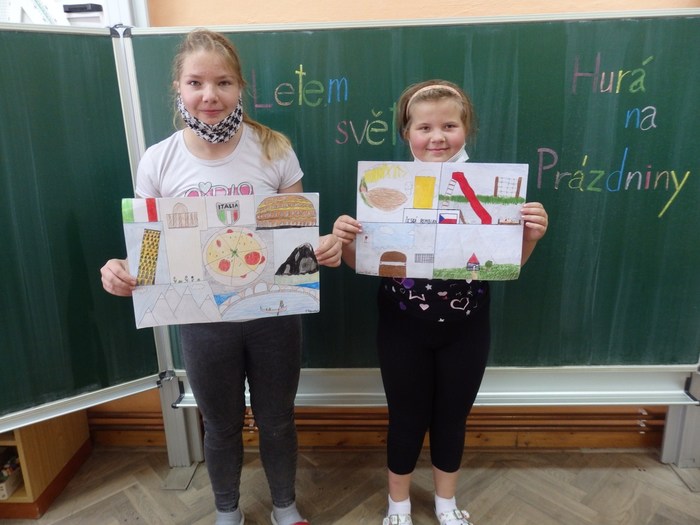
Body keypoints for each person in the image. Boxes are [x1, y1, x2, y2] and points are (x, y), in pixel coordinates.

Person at [101, 29, 341, 525]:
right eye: (196, 83)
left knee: (277, 419)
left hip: (273, 314)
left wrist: (320, 249)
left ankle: (284, 506)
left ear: (239, 87)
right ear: (178, 87)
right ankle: (227, 511)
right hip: (202, 321)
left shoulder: (273, 149)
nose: (209, 95)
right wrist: (124, 270)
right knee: (220, 423)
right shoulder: (159, 160)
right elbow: (150, 247)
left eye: (223, 83)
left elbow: (295, 238)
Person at [333, 80, 548, 525]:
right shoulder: (385, 190)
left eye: (449, 126)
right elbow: (363, 264)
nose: (437, 137)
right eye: (424, 127)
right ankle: (398, 504)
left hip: (467, 326)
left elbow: (505, 265)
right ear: (406, 133)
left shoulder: (489, 189)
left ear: (467, 128)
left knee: (452, 417)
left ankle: (446, 502)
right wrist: (346, 240)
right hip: (402, 326)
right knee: (406, 417)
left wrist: (530, 236)